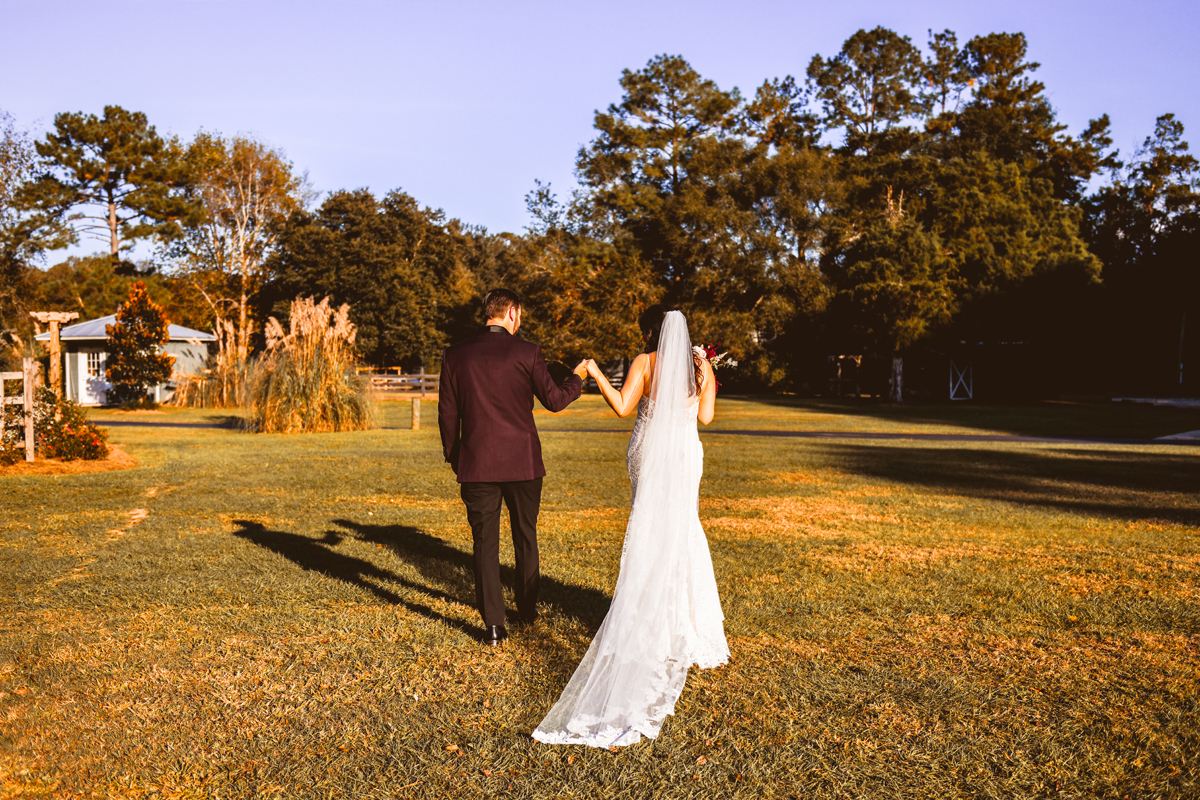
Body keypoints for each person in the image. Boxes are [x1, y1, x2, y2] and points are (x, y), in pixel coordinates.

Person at [532, 305, 729, 748]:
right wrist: (707, 375)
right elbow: (707, 419)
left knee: (648, 532)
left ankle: (646, 618)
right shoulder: (700, 364)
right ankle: (687, 625)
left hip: (648, 456)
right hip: (685, 457)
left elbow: (623, 408)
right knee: (683, 529)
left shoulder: (645, 362)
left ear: (649, 331)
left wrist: (597, 372)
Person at [438, 288, 588, 646]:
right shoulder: (527, 352)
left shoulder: (455, 355)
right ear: (512, 313)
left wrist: (457, 456)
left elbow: (447, 415)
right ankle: (527, 609)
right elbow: (554, 400)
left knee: (484, 544)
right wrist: (577, 378)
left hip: (476, 465)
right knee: (525, 535)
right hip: (523, 462)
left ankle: (493, 625)